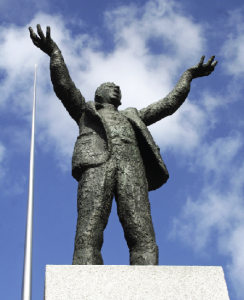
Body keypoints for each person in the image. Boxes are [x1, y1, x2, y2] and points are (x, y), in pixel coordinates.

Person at [29, 25, 218, 265]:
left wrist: (188, 76)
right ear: (99, 94)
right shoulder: (86, 110)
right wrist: (55, 54)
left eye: (118, 87)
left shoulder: (132, 115)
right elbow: (64, 85)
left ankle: (148, 277)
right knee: (90, 225)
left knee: (140, 226)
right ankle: (86, 277)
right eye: (110, 86)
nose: (116, 88)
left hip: (132, 168)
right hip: (97, 164)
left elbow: (168, 104)